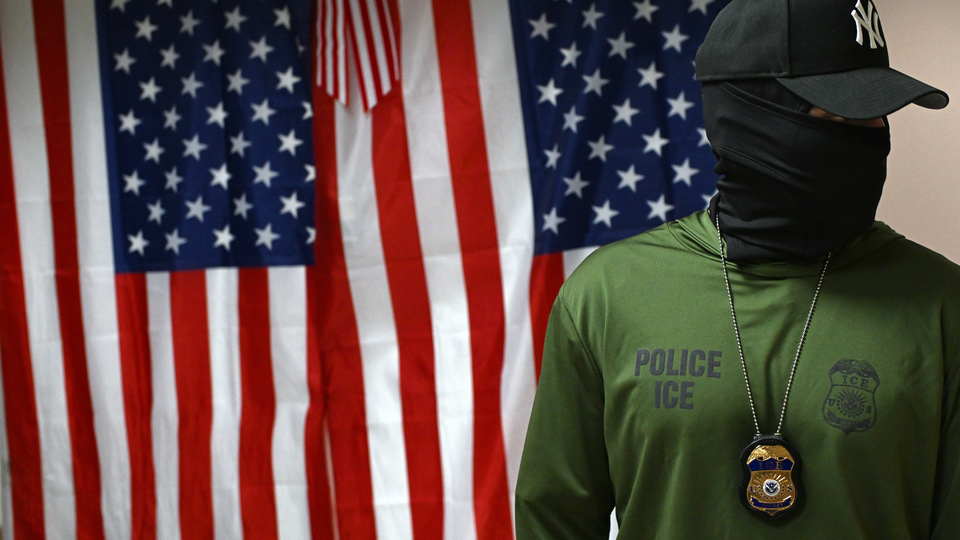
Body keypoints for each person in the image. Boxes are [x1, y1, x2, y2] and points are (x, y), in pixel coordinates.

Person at [514, 0, 960, 537]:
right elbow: (554, 521)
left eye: (873, 116)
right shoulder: (606, 299)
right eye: (836, 116)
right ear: (747, 115)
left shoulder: (942, 306)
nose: (867, 137)